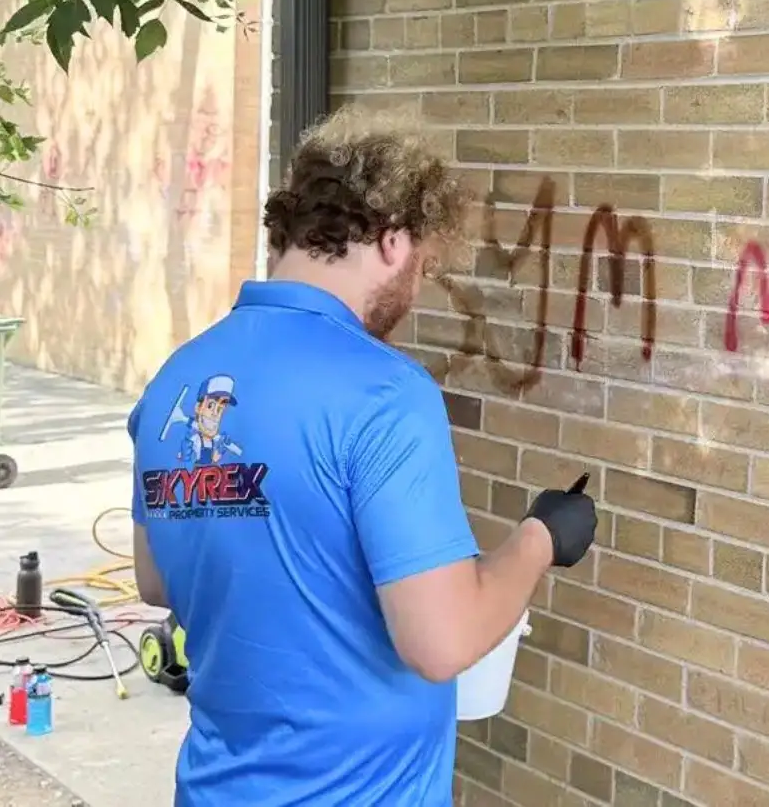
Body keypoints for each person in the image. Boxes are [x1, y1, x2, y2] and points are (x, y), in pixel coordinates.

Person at [127, 110, 598, 807]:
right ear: (392, 238)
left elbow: (157, 580)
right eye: (423, 266)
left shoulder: (175, 380)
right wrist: (540, 539)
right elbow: (441, 643)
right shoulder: (383, 393)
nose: (415, 288)